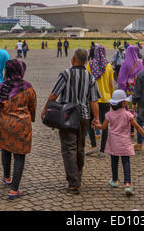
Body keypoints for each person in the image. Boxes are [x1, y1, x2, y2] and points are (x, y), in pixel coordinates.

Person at [41, 48, 101, 194]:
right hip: (84, 116)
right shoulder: (90, 77)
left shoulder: (66, 74)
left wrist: (45, 109)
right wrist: (97, 119)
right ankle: (78, 176)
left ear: (73, 59)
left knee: (69, 149)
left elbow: (54, 94)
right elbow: (94, 101)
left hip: (67, 115)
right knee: (80, 147)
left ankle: (73, 183)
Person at [0, 59, 37, 199]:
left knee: (5, 149)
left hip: (5, 125)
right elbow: (32, 106)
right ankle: (14, 190)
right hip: (22, 126)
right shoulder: (28, 88)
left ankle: (7, 177)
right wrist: (31, 118)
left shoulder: (1, 87)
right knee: (19, 156)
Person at [98, 90, 144, 196]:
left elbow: (103, 127)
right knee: (126, 162)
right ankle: (127, 184)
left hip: (113, 142)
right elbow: (136, 126)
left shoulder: (108, 115)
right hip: (124, 142)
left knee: (114, 161)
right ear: (123, 103)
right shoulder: (128, 114)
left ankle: (115, 180)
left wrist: (96, 125)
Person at [86, 45, 114, 156]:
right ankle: (102, 150)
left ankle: (93, 145)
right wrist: (112, 97)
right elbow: (111, 84)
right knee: (105, 125)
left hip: (93, 99)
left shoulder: (90, 65)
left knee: (89, 122)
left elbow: (87, 81)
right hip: (106, 99)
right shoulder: (108, 66)